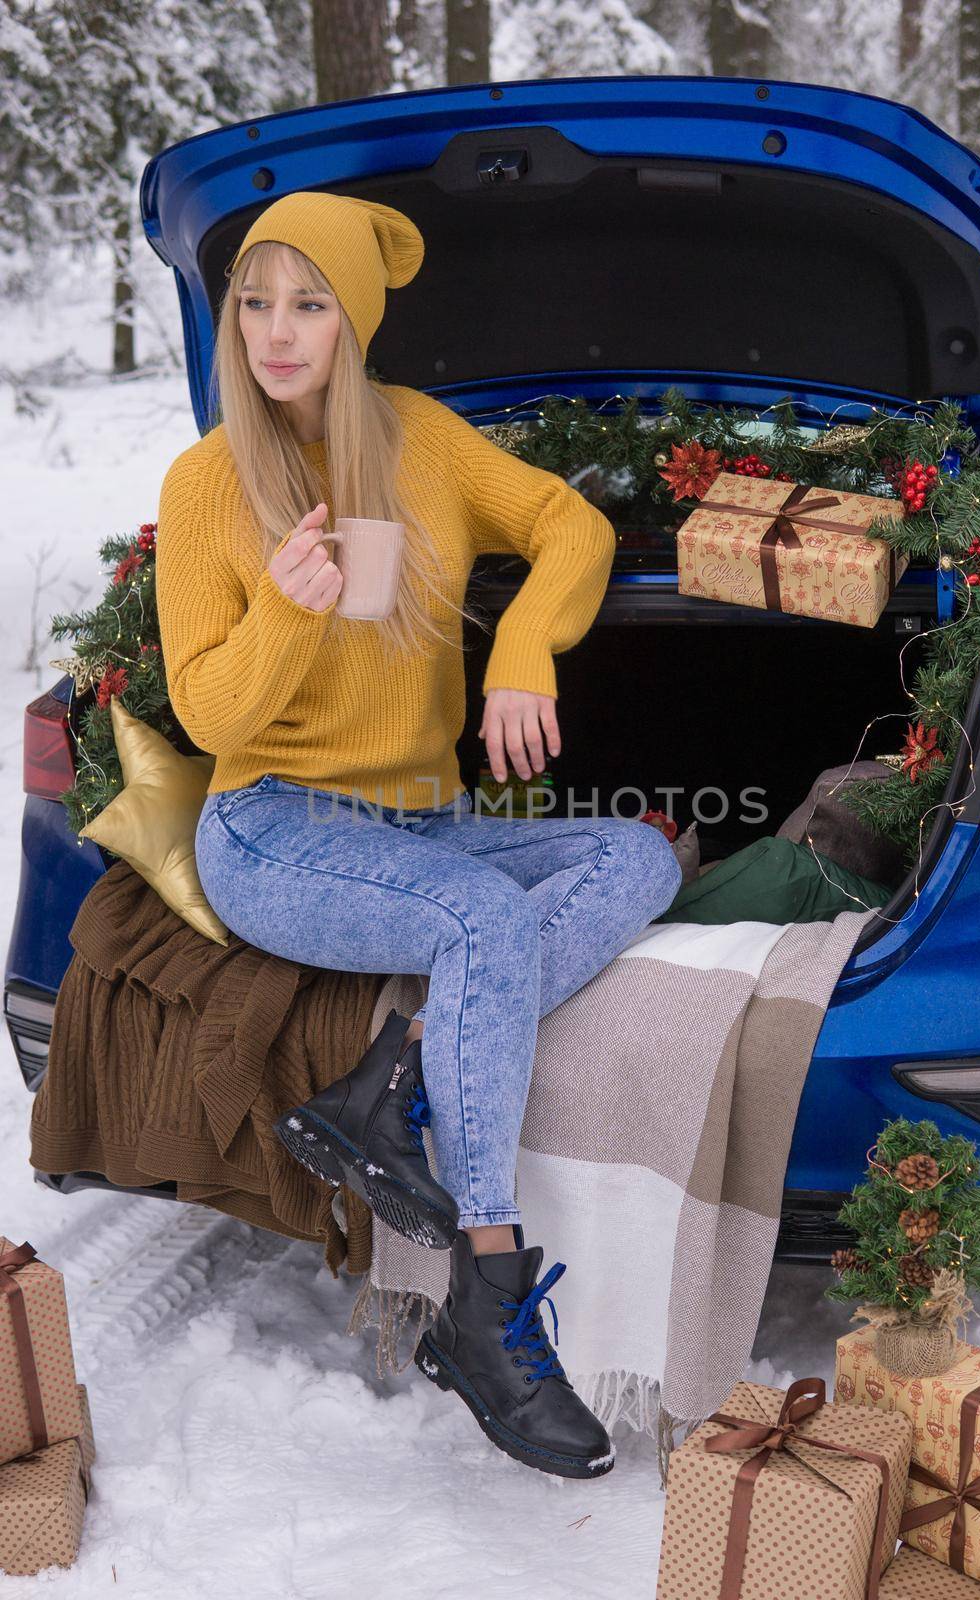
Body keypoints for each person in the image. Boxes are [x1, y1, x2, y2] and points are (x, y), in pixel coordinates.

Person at [155, 190, 683, 1480]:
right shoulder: (208, 481)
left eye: (310, 304)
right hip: (273, 827)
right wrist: (287, 612)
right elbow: (204, 709)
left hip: (424, 824)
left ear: (356, 318)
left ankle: (391, 1082)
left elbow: (576, 525)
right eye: (256, 303)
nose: (278, 335)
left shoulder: (428, 445)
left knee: (642, 858)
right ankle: (487, 1292)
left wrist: (522, 654)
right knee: (485, 918)